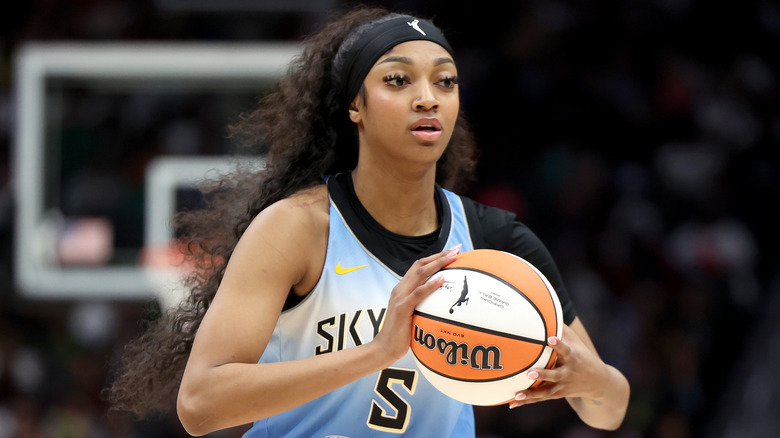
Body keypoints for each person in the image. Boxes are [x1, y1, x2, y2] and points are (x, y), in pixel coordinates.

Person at [107, 5, 630, 437]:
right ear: (355, 105)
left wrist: (593, 380)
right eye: (399, 80)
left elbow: (608, 410)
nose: (428, 97)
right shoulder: (297, 229)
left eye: (444, 82)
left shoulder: (496, 241)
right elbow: (199, 405)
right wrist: (379, 352)